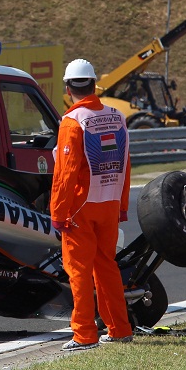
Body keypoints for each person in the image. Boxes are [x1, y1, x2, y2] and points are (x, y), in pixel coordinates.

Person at [50, 59, 133, 351]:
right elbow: (125, 164)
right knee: (107, 266)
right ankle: (120, 328)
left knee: (78, 271)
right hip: (109, 202)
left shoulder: (73, 121)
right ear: (94, 84)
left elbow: (65, 173)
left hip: (79, 208)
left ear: (68, 87)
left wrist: (58, 213)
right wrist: (122, 204)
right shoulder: (117, 116)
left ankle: (84, 335)